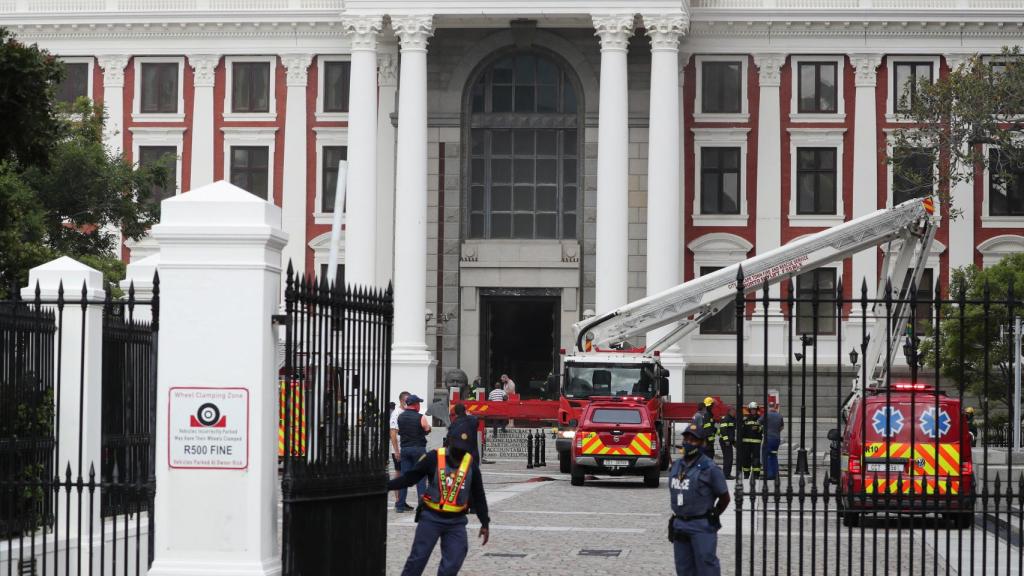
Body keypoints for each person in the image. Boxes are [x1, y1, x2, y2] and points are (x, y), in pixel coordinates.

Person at [388, 428, 491, 576]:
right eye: (458, 448)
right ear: (449, 443)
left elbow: (479, 495)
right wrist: (387, 486)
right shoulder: (433, 457)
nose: (461, 452)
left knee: (454, 561)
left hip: (456, 522)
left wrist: (485, 523)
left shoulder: (471, 465)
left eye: (464, 449)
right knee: (417, 560)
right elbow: (411, 478)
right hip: (431, 518)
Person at [668, 425, 731, 576]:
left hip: (701, 524)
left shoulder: (710, 468)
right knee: (683, 568)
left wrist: (713, 514)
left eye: (693, 440)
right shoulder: (677, 466)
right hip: (680, 524)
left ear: (702, 443)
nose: (687, 442)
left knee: (706, 566)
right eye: (685, 438)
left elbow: (725, 497)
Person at [396, 394, 432, 513]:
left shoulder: (400, 417)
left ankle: (400, 505)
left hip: (405, 449)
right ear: (415, 404)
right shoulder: (420, 417)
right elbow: (426, 429)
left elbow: (400, 431)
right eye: (419, 403)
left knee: (404, 477)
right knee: (421, 478)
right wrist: (428, 428)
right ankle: (421, 506)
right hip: (418, 450)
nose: (419, 405)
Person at [389, 394, 408, 510]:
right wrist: (396, 451)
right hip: (398, 448)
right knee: (399, 473)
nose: (408, 402)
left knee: (405, 474)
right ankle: (398, 500)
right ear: (401, 400)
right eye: (406, 400)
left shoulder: (406, 412)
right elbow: (392, 433)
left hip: (405, 447)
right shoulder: (396, 414)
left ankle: (402, 500)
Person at [760, 403, 784, 480]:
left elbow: (758, 422)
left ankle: (769, 475)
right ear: (775, 407)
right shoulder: (779, 416)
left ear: (768, 407)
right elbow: (782, 427)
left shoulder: (767, 415)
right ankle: (776, 474)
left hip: (768, 439)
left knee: (767, 456)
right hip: (776, 439)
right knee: (774, 456)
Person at [741, 402, 764, 480]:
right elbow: (741, 430)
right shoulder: (745, 419)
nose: (753, 410)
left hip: (756, 443)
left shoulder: (760, 418)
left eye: (754, 409)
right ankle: (746, 474)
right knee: (746, 458)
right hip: (746, 443)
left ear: (757, 410)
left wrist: (758, 428)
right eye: (752, 409)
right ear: (749, 410)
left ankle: (756, 474)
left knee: (756, 459)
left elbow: (763, 429)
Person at [718, 406, 737, 480]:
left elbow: (731, 432)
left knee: (729, 458)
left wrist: (733, 442)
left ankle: (727, 474)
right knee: (728, 458)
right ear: (730, 411)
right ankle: (726, 475)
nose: (735, 413)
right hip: (725, 441)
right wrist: (726, 440)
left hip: (729, 441)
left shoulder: (732, 419)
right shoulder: (726, 419)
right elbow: (723, 430)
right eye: (734, 411)